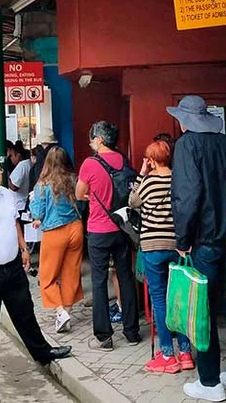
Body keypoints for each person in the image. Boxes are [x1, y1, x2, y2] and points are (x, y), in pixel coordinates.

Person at [0, 156, 72, 399]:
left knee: (25, 314)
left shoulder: (7, 195)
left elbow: (14, 223)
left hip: (12, 267)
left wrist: (23, 249)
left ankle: (43, 353)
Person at [168, 95, 226, 401]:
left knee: (201, 311)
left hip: (203, 240)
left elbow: (186, 196)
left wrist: (182, 240)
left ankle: (210, 381)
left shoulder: (187, 145)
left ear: (184, 120)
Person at [129, 139, 194, 374]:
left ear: (152, 159)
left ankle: (167, 354)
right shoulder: (177, 179)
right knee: (179, 297)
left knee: (159, 299)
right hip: (177, 245)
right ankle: (186, 352)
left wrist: (142, 173)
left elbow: (132, 202)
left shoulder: (149, 181)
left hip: (152, 246)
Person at [76, 121, 140, 351]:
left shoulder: (90, 164)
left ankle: (104, 337)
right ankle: (132, 332)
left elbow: (79, 193)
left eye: (92, 138)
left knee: (99, 281)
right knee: (125, 277)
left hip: (99, 231)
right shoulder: (124, 161)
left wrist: (93, 196)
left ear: (99, 140)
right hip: (122, 229)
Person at [29, 146, 83, 333]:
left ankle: (61, 311)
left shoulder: (43, 185)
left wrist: (33, 209)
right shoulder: (74, 180)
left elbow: (38, 212)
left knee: (47, 276)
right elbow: (82, 202)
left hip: (54, 232)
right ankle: (66, 312)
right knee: (71, 272)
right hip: (76, 228)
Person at [8, 145, 32, 213]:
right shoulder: (28, 163)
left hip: (19, 205)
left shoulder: (22, 165)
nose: (11, 159)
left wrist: (6, 176)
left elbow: (14, 187)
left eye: (12, 156)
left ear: (18, 155)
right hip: (23, 203)